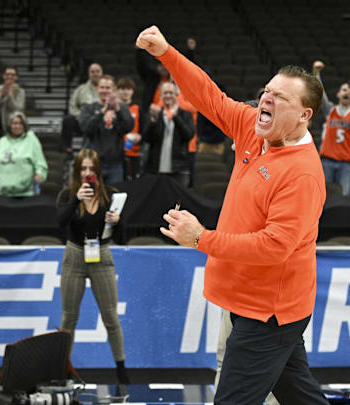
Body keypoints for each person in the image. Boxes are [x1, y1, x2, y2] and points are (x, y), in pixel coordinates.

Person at [137, 26, 329, 404]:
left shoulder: (303, 174)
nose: (265, 101)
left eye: (280, 98)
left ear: (304, 115)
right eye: (266, 92)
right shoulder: (254, 130)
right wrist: (167, 53)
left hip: (268, 314)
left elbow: (275, 247)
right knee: (300, 397)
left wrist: (200, 238)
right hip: (252, 303)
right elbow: (210, 98)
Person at [55, 149, 128, 384]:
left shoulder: (110, 196)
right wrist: (76, 199)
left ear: (98, 170)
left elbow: (123, 236)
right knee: (69, 317)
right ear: (77, 171)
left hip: (102, 255)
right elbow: (59, 223)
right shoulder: (68, 194)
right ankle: (62, 368)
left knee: (110, 317)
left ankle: (121, 369)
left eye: (91, 169)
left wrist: (118, 222)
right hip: (75, 255)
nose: (88, 173)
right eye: (83, 169)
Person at [313, 60, 350, 196]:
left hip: (346, 163)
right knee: (322, 196)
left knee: (344, 196)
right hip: (327, 159)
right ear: (338, 94)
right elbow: (321, 95)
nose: (346, 93)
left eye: (349, 91)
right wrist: (316, 73)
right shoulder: (331, 110)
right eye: (344, 90)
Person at [78, 75, 134, 184]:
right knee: (91, 197)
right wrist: (102, 112)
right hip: (92, 165)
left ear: (114, 90)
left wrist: (117, 109)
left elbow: (128, 127)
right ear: (97, 89)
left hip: (115, 164)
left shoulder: (122, 108)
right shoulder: (88, 108)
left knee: (114, 197)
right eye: (102, 87)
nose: (105, 90)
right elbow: (86, 129)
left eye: (108, 88)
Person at [142, 82, 194, 186]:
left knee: (178, 201)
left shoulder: (185, 114)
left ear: (176, 95)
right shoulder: (155, 114)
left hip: (178, 170)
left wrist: (176, 117)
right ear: (160, 96)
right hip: (156, 169)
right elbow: (146, 138)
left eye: (171, 93)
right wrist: (153, 121)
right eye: (165, 93)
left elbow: (189, 135)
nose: (168, 96)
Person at [0, 112, 47, 197]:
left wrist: (39, 174)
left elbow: (41, 164)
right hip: (3, 195)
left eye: (21, 123)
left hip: (26, 195)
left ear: (24, 125)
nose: (18, 126)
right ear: (9, 125)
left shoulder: (32, 140)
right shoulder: (2, 142)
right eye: (14, 123)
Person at [60, 63, 103, 154]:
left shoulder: (106, 89)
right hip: (83, 120)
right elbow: (72, 105)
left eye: (97, 71)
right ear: (89, 74)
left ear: (101, 73)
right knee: (68, 120)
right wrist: (81, 117)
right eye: (92, 72)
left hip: (101, 121)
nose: (95, 74)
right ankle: (67, 147)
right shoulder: (81, 89)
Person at [116, 77, 142, 180]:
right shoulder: (114, 108)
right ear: (117, 90)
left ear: (132, 91)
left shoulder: (137, 109)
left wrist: (140, 136)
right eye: (122, 89)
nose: (125, 92)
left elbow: (143, 130)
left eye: (128, 89)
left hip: (133, 152)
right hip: (117, 154)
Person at [0, 67, 26, 132]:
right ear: (3, 76)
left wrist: (10, 96)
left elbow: (18, 109)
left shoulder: (20, 92)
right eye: (7, 74)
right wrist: (1, 96)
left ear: (16, 77)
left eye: (12, 75)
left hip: (14, 126)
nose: (10, 76)